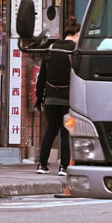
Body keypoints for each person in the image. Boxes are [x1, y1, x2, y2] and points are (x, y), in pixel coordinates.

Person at [34, 17, 80, 173]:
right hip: (68, 98)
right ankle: (64, 166)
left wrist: (39, 97)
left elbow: (42, 76)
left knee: (50, 130)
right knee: (65, 132)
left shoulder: (52, 47)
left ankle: (42, 164)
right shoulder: (75, 51)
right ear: (77, 33)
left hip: (50, 97)